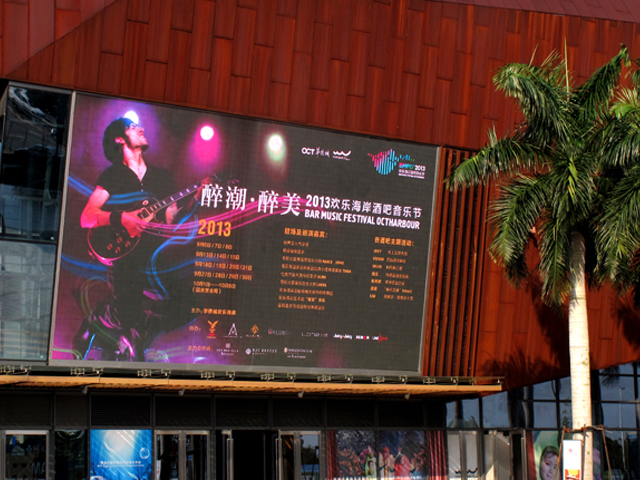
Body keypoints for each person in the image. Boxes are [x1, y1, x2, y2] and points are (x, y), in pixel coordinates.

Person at [73, 117, 205, 361]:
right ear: (119, 139)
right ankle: (97, 317)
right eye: (134, 127)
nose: (141, 129)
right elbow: (87, 217)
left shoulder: (161, 176)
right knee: (126, 313)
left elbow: (172, 219)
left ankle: (139, 331)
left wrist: (196, 199)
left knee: (190, 305)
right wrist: (122, 218)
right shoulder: (113, 175)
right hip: (125, 257)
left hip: (153, 257)